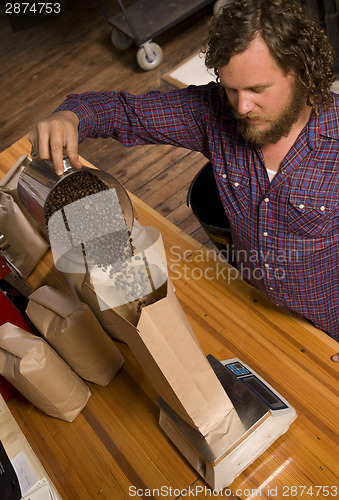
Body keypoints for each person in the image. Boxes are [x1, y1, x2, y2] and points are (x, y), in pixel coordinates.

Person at [28, 0, 339, 360]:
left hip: (329, 324)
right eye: (230, 88)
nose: (241, 108)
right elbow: (123, 112)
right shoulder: (214, 114)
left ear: (301, 72)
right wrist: (70, 116)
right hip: (250, 300)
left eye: (257, 89)